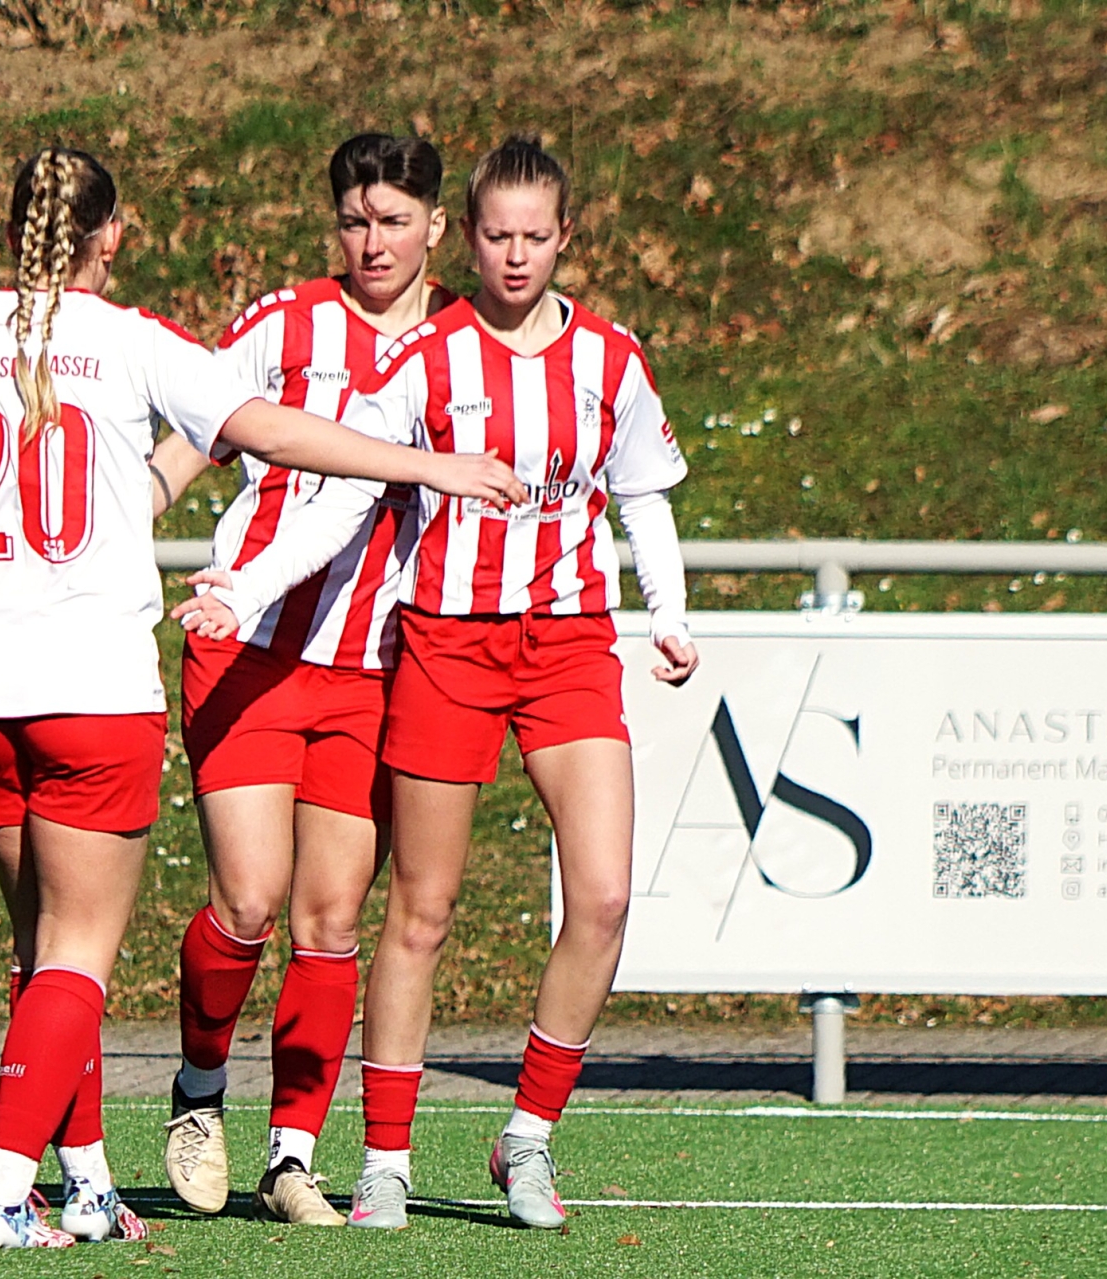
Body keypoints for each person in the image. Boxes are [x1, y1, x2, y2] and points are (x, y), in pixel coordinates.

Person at [0, 145, 526, 1249]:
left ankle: (90, 1178)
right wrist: (428, 465)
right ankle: (2, 1191)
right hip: (89, 692)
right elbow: (268, 428)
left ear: (12, 231)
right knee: (76, 959)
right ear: (112, 235)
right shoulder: (130, 340)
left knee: (41, 946)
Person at [330, 137, 700, 1231]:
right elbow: (348, 481)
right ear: (471, 238)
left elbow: (644, 495)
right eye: (498, 235)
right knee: (422, 909)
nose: (518, 255)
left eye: (537, 236)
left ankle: (528, 1136)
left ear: (565, 236)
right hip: (447, 645)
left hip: (569, 645)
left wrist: (668, 613)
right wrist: (247, 582)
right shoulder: (429, 353)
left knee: (605, 896)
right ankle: (385, 1158)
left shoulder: (611, 359)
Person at [142, 133, 455, 1227]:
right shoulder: (285, 322)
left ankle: (292, 1157)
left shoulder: (462, 347)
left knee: (329, 917)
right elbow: (192, 440)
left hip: (372, 669)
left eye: (394, 221)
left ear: (435, 227)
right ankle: (197, 1092)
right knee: (248, 898)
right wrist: (122, 519)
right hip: (248, 647)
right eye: (355, 221)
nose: (373, 242)